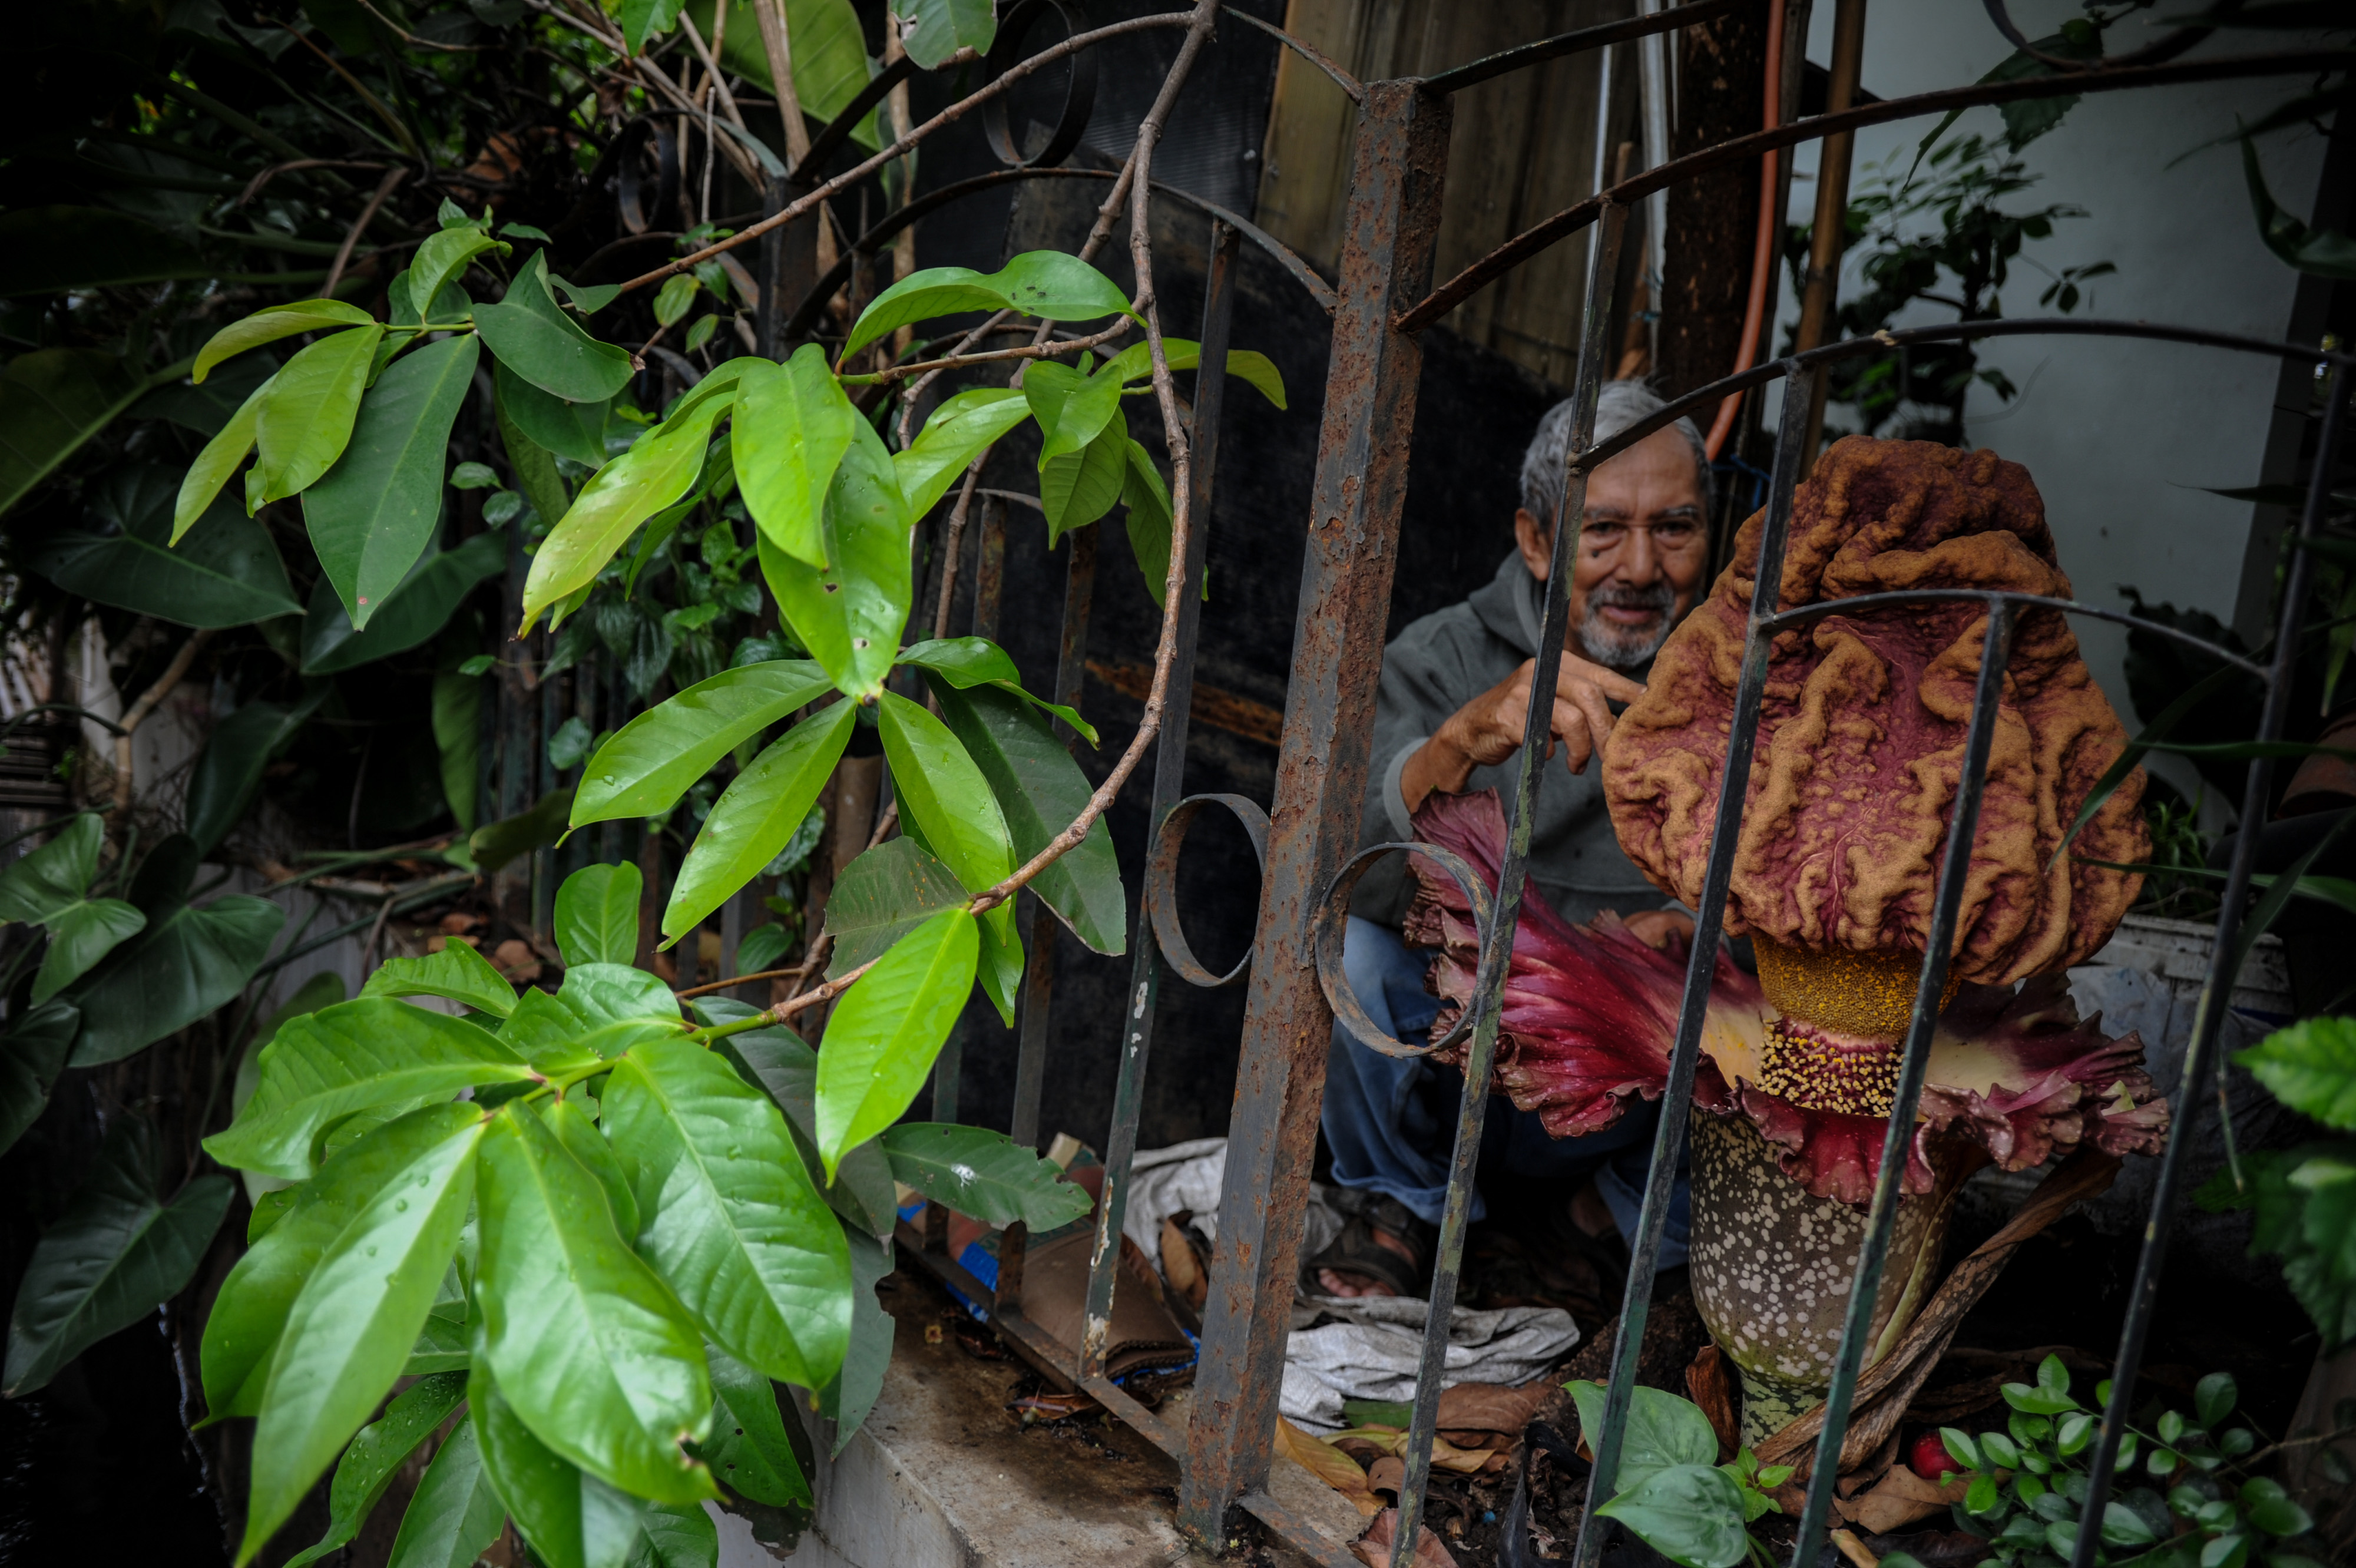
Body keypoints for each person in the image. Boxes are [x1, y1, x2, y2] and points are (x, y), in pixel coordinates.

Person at [1306, 381, 1716, 1299]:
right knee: (1350, 945)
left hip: (1626, 1095)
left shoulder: (1742, 688)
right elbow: (1342, 871)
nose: (1641, 567)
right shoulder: (1442, 655)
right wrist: (1457, 740)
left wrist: (1694, 932)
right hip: (1453, 1073)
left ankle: (1599, 1225)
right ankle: (1403, 1204)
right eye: (1602, 530)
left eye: (1676, 528)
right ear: (1535, 541)